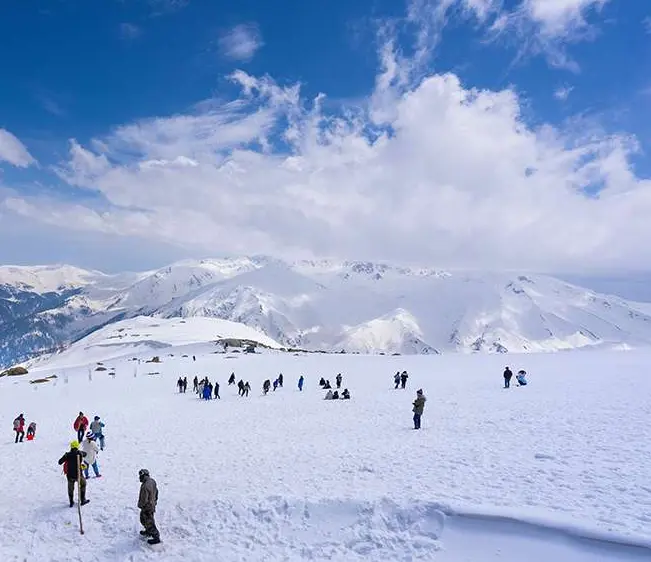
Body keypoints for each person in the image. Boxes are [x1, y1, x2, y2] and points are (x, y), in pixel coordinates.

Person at [58, 440, 89, 508]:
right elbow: (85, 454)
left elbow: (59, 462)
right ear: (77, 447)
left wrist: (65, 457)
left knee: (70, 489)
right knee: (83, 484)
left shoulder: (67, 455)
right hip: (78, 475)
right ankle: (82, 499)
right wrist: (80, 452)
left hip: (70, 476)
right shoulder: (80, 453)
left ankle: (71, 502)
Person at [138, 468, 160, 545]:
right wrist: (155, 501)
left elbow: (144, 499)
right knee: (144, 520)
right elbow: (156, 492)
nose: (139, 478)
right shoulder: (152, 481)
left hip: (147, 507)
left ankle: (156, 537)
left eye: (140, 476)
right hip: (152, 504)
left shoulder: (145, 486)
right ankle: (148, 531)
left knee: (148, 521)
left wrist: (140, 505)